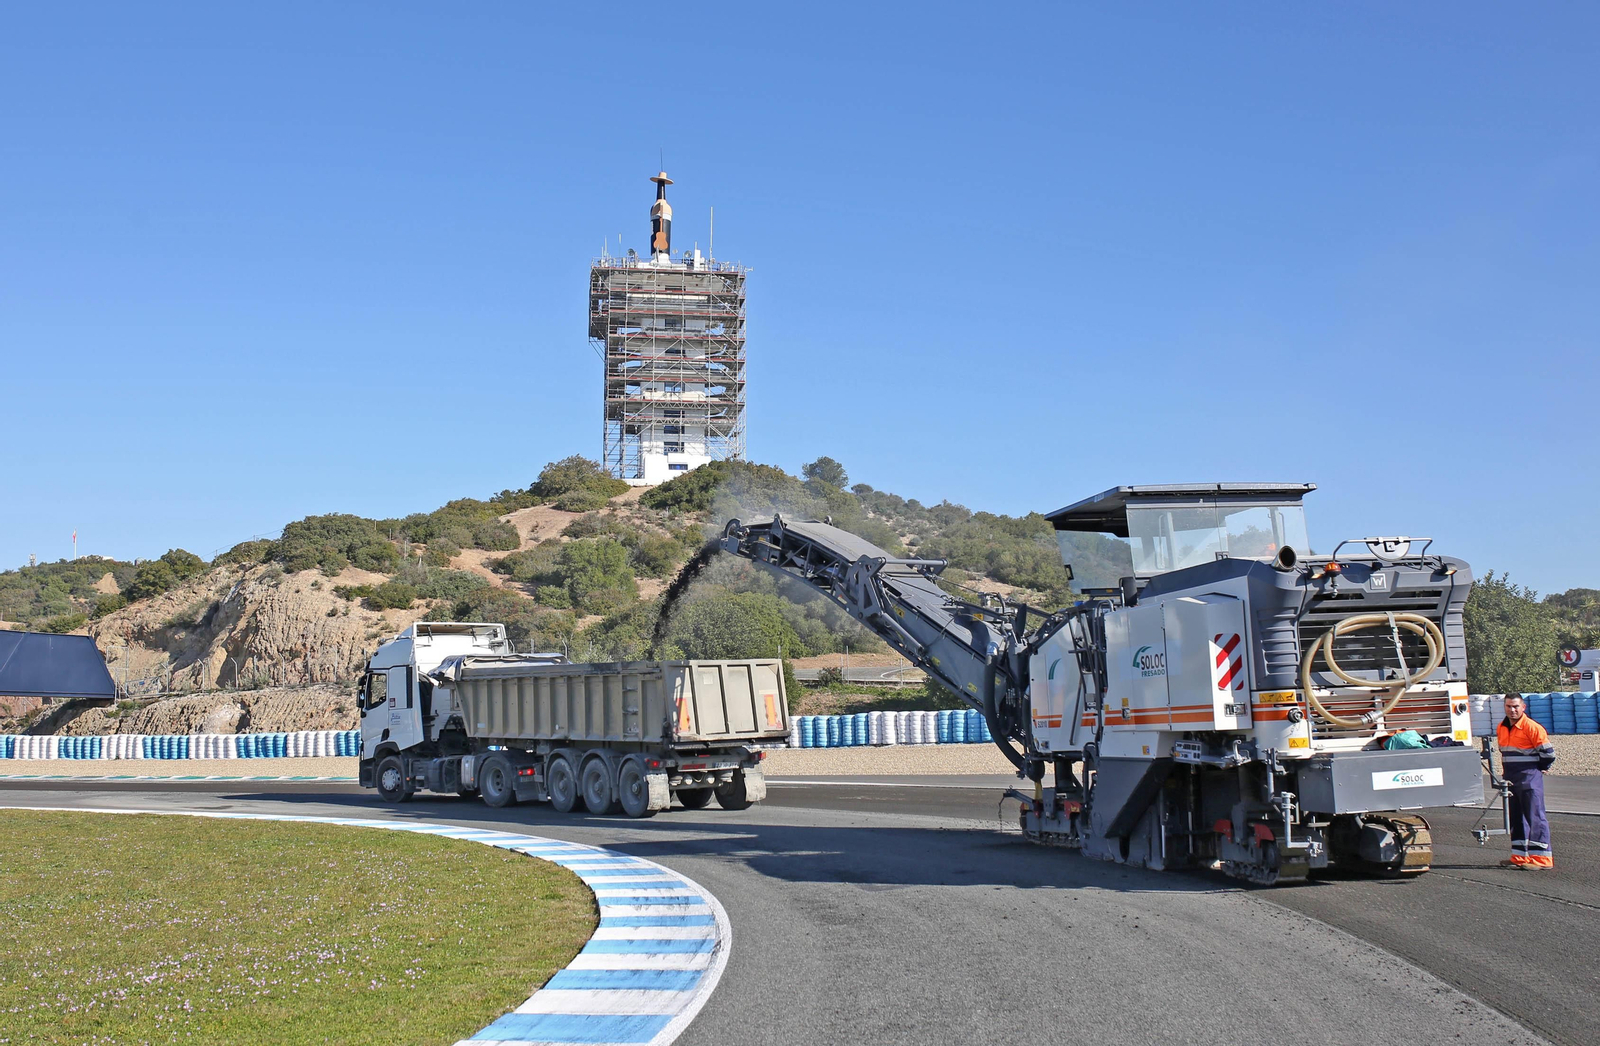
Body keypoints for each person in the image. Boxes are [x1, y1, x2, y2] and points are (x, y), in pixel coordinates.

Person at [1496, 694, 1556, 869]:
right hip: (1511, 777)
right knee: (1516, 817)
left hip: (1530, 777)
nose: (1512, 710)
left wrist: (1542, 767)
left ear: (1523, 707)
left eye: (1515, 706)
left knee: (1535, 816)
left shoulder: (1532, 727)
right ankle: (1520, 856)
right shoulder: (1502, 727)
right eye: (1508, 706)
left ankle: (1542, 859)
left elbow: (1549, 754)